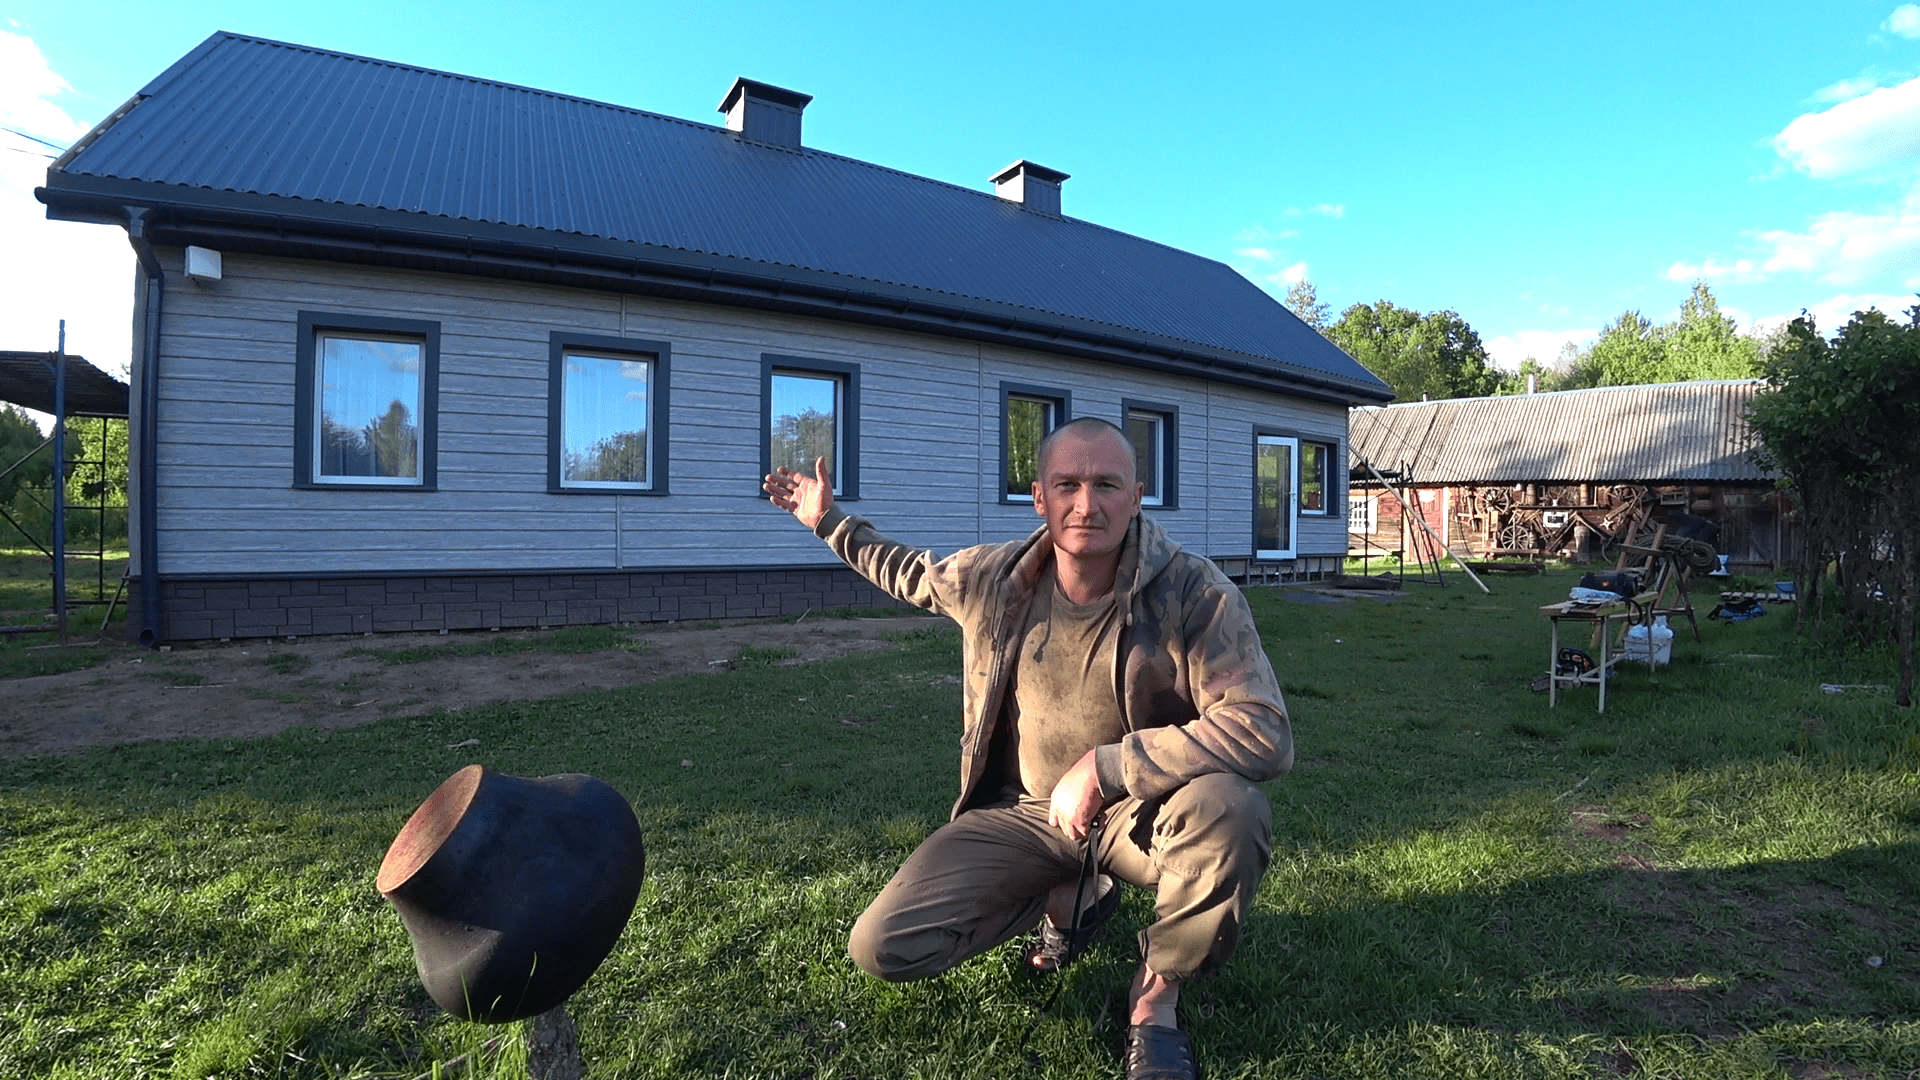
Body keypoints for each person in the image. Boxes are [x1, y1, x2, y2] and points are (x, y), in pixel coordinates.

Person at [763, 417, 1291, 1080]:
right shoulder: (994, 578)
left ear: (1137, 495)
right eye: (1066, 484)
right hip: (1023, 814)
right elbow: (908, 573)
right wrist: (828, 520)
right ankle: (1072, 896)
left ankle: (1155, 998)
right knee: (883, 946)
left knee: (1231, 810)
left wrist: (1107, 768)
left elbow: (1262, 727)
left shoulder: (1195, 594)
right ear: (1039, 496)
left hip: (1140, 814)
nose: (1085, 503)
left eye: (1106, 484)